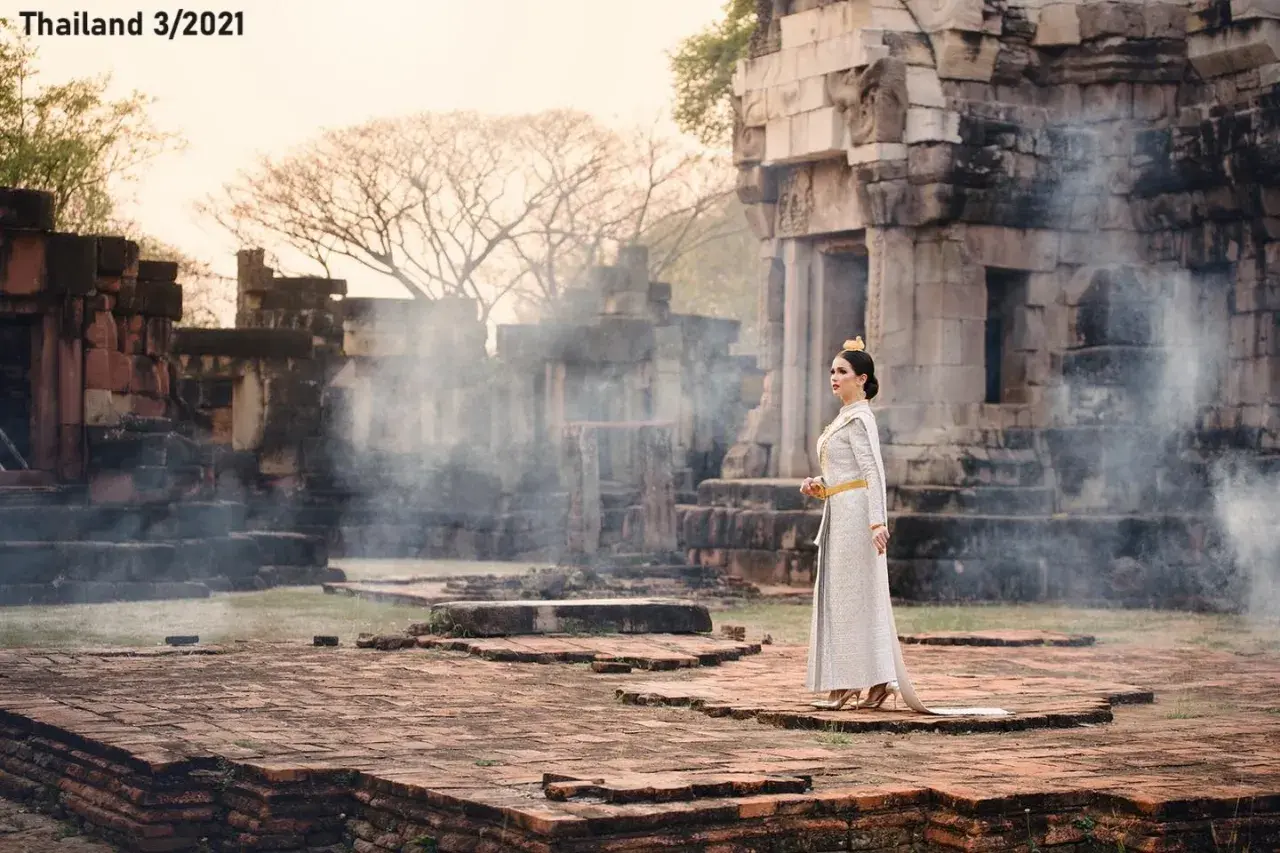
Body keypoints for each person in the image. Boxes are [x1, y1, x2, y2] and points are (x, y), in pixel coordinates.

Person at [801, 337, 1007, 717]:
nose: (834, 377)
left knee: (856, 596)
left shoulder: (861, 418)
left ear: (861, 379)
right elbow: (846, 474)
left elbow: (873, 472)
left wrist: (878, 521)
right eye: (832, 371)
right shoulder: (842, 419)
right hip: (840, 511)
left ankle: (860, 681)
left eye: (842, 371)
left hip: (858, 517)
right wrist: (821, 486)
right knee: (842, 595)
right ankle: (867, 681)